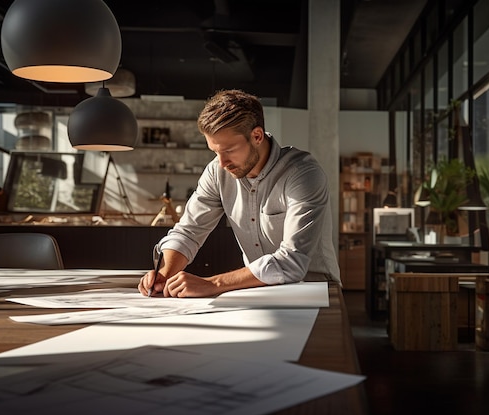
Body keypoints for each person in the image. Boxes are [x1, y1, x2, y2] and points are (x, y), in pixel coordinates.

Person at [138, 89, 340, 298]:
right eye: (215, 152)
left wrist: (213, 284)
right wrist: (164, 274)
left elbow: (292, 261)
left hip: (315, 294)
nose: (222, 163)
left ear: (257, 136)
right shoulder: (217, 170)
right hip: (258, 293)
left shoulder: (303, 174)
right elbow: (188, 232)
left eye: (229, 150)